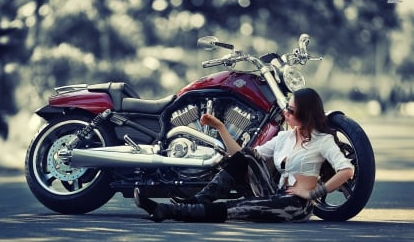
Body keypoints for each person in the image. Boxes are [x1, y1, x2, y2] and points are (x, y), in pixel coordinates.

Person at [134, 88, 354, 223]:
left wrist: (315, 192)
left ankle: (167, 211)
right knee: (247, 156)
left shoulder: (322, 141)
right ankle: (196, 201)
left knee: (238, 209)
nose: (285, 113)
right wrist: (220, 127)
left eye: (291, 111)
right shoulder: (285, 138)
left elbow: (347, 170)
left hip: (294, 206)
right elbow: (242, 158)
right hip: (273, 193)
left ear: (306, 114)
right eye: (286, 107)